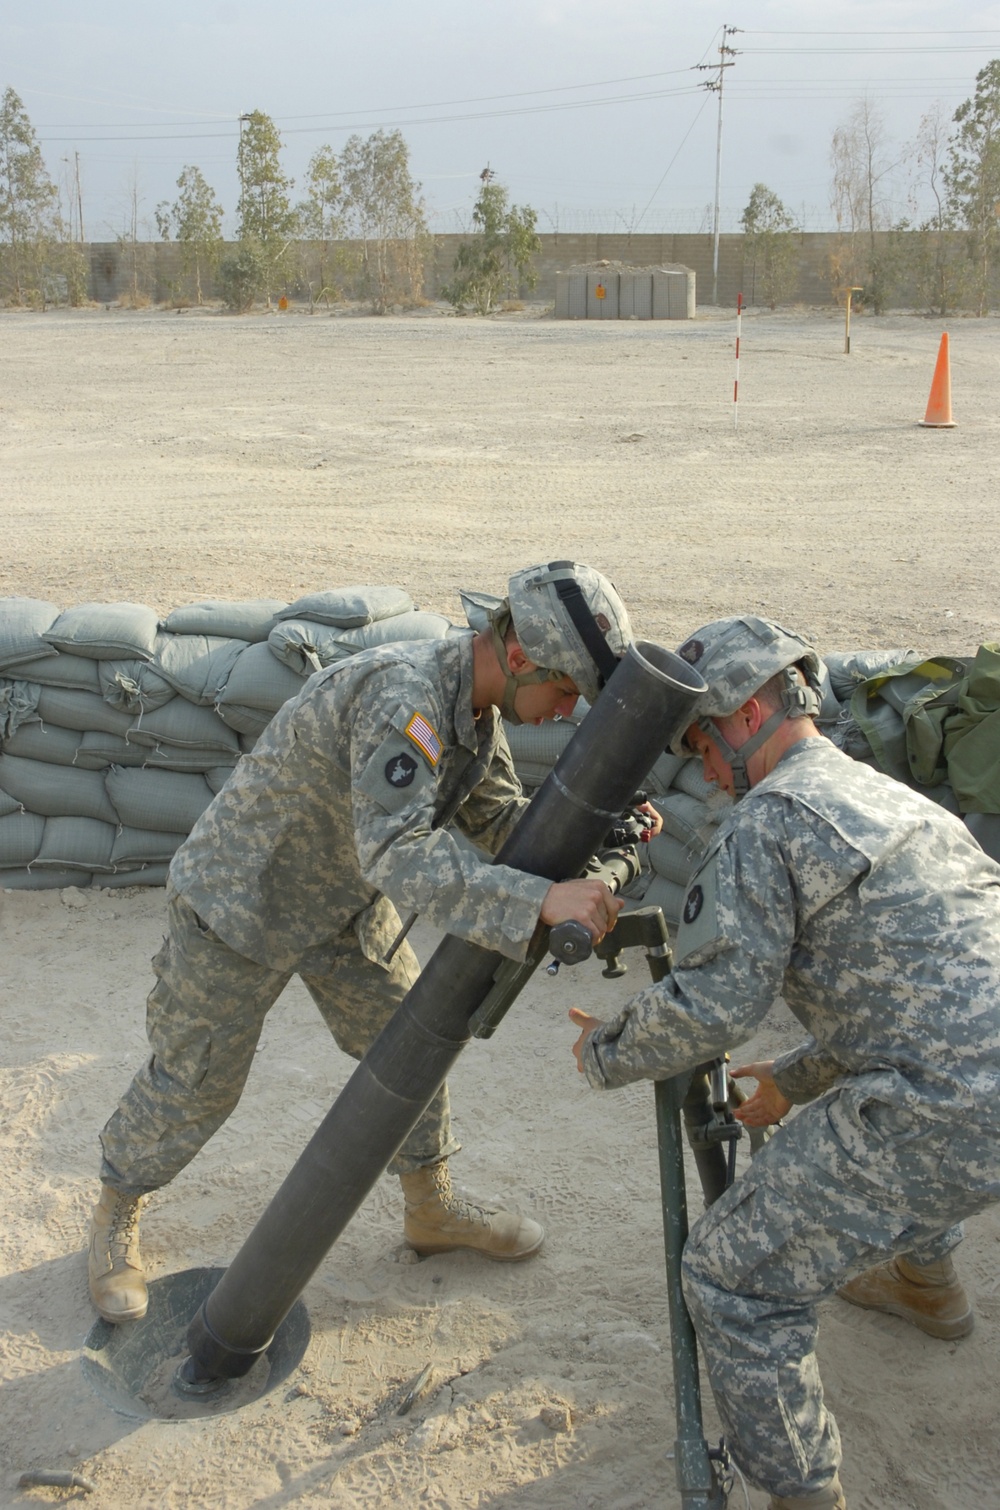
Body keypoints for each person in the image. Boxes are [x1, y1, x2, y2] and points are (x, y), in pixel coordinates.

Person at [89, 561, 642, 1324]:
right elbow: (404, 854)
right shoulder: (405, 698)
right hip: (244, 900)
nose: (566, 710)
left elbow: (496, 819)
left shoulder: (473, 713)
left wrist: (596, 837)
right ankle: (117, 1209)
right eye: (566, 691)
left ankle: (430, 1208)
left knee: (414, 1038)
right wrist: (541, 900)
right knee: (197, 1078)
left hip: (341, 901)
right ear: (520, 659)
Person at [569, 614, 1000, 1510]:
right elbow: (913, 995)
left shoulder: (765, 823)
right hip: (967, 1082)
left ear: (755, 707)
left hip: (945, 1109)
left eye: (706, 742)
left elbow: (714, 1006)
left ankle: (804, 1496)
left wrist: (605, 1048)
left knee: (730, 1279)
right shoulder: (889, 798)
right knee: (887, 1136)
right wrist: (797, 1082)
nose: (708, 771)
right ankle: (927, 1283)